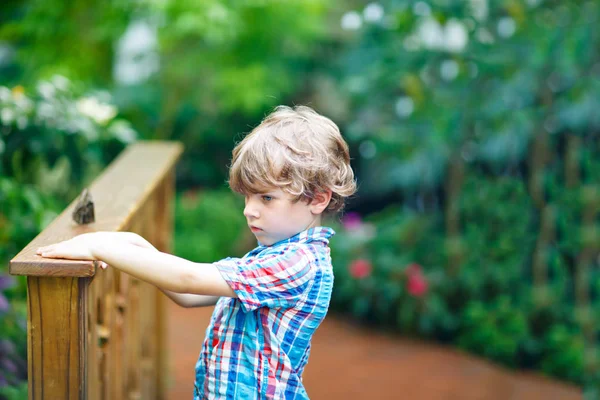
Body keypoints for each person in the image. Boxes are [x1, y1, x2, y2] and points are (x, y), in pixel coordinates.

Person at [37, 105, 357, 399]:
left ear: (317, 198)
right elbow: (188, 296)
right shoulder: (271, 255)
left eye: (266, 199)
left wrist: (97, 246)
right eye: (247, 197)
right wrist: (132, 244)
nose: (249, 211)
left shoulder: (296, 264)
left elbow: (188, 279)